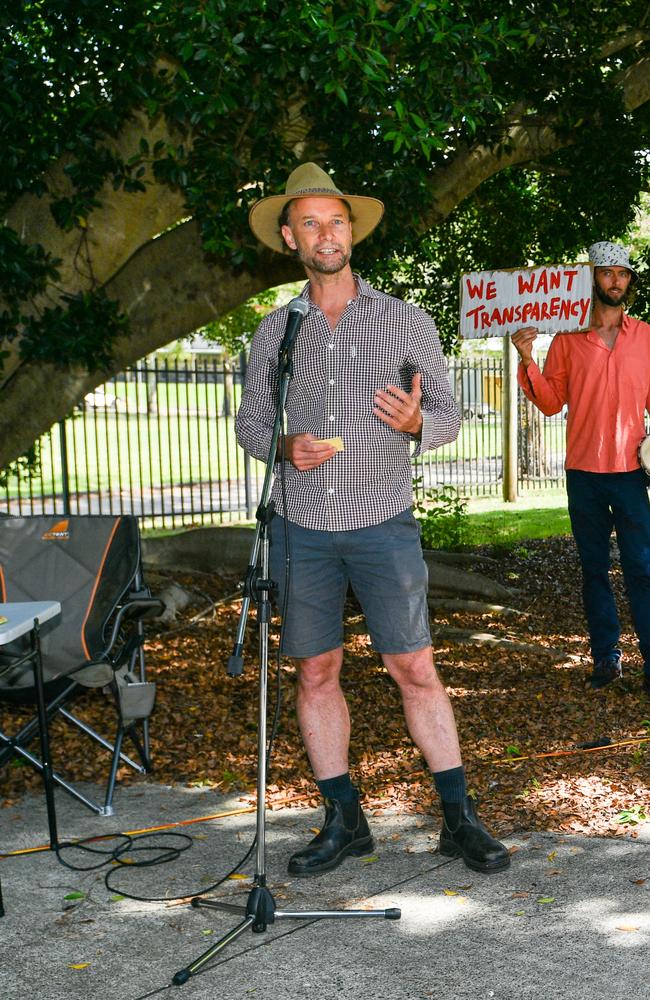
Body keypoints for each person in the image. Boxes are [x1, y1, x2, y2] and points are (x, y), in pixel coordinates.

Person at [236, 162, 510, 877]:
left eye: (337, 220)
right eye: (311, 223)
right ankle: (344, 822)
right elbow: (251, 423)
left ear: (350, 232)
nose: (326, 234)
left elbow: (451, 415)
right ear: (291, 239)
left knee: (413, 666)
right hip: (301, 527)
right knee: (315, 672)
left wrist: (421, 421)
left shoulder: (403, 319)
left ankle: (459, 820)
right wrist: (282, 446)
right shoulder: (276, 331)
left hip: (383, 519)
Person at [512, 241, 650, 694]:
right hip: (584, 474)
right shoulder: (568, 340)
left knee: (642, 568)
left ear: (629, 281)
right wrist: (527, 358)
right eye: (607, 273)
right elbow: (550, 403)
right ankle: (606, 660)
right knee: (594, 569)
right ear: (590, 279)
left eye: (622, 274)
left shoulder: (646, 337)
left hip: (631, 473)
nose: (616, 281)